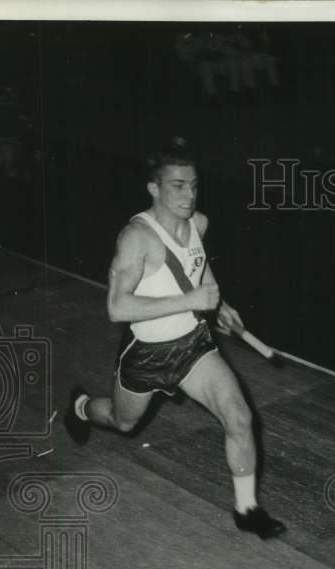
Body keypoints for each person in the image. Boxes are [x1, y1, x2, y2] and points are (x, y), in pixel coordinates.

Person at [63, 138, 285, 540]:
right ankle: (80, 408)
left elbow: (197, 268)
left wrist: (218, 303)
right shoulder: (136, 238)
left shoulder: (199, 224)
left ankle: (247, 507)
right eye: (177, 186)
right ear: (154, 188)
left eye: (194, 185)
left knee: (239, 417)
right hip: (146, 353)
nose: (188, 195)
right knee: (123, 421)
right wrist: (190, 299)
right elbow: (117, 308)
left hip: (193, 345)